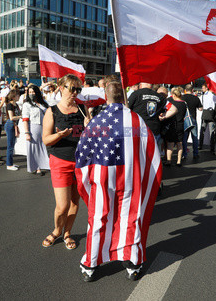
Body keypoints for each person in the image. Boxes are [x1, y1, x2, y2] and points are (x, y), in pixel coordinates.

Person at [75, 81, 162, 282]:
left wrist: (86, 180)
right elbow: (150, 151)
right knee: (131, 217)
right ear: (123, 96)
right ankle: (132, 262)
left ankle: (91, 263)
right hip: (131, 178)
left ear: (106, 97)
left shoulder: (96, 122)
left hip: (102, 178)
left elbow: (82, 155)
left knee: (98, 218)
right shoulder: (136, 120)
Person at [41, 74, 89, 250]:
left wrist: (89, 126)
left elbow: (90, 137)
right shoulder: (52, 111)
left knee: (75, 203)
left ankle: (67, 233)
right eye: (72, 88)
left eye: (78, 89)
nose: (75, 92)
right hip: (60, 161)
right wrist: (59, 135)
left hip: (80, 162)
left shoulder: (83, 109)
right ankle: (56, 230)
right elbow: (46, 140)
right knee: (62, 206)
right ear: (61, 88)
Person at [22, 85, 50, 175]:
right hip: (34, 127)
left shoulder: (44, 103)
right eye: (29, 92)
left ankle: (45, 164)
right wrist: (27, 133)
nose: (31, 94)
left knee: (44, 147)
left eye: (33, 92)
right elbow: (25, 119)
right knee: (35, 148)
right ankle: (37, 167)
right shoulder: (27, 105)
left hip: (45, 127)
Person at [160, 87, 186, 166]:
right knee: (179, 144)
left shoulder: (171, 103)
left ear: (174, 95)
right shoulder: (183, 104)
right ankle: (178, 161)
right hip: (180, 125)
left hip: (172, 125)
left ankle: (169, 161)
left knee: (170, 144)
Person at [181, 84, 202, 160]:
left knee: (184, 138)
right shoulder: (196, 98)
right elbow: (200, 109)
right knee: (195, 137)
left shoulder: (182, 98)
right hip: (193, 119)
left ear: (185, 90)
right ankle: (195, 153)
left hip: (185, 119)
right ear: (192, 90)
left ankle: (184, 154)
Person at [4, 89, 21, 170]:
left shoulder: (16, 105)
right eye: (18, 95)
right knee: (10, 146)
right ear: (13, 97)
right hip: (10, 125)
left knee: (12, 145)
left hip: (14, 125)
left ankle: (11, 163)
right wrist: (22, 116)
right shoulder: (9, 105)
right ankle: (9, 164)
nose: (19, 96)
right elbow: (11, 118)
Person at [199, 83, 216, 150]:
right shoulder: (213, 96)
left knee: (202, 130)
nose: (202, 89)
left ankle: (200, 145)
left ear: (207, 88)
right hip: (211, 114)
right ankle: (212, 146)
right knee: (211, 131)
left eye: (203, 88)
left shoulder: (204, 96)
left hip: (205, 114)